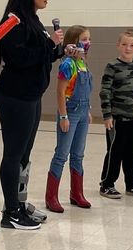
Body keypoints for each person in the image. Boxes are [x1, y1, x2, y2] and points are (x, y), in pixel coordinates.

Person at [0, 0, 65, 230]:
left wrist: (59, 50)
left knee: (24, 154)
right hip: (15, 96)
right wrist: (49, 45)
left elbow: (39, 57)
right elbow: (20, 58)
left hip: (31, 96)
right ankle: (11, 213)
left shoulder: (32, 19)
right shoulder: (13, 20)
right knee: (13, 154)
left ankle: (19, 204)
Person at [44, 25, 93, 213]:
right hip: (70, 112)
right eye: (84, 39)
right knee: (61, 154)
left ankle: (76, 193)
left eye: (89, 39)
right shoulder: (67, 64)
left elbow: (85, 90)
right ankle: (51, 197)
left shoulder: (82, 62)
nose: (88, 42)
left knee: (78, 154)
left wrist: (87, 110)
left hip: (82, 113)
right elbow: (60, 91)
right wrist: (63, 116)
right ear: (74, 42)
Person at [99, 29, 133, 199]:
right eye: (124, 44)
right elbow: (105, 91)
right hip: (117, 119)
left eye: (132, 45)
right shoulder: (112, 67)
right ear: (118, 46)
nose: (128, 48)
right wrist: (107, 115)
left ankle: (132, 184)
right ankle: (107, 184)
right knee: (115, 152)